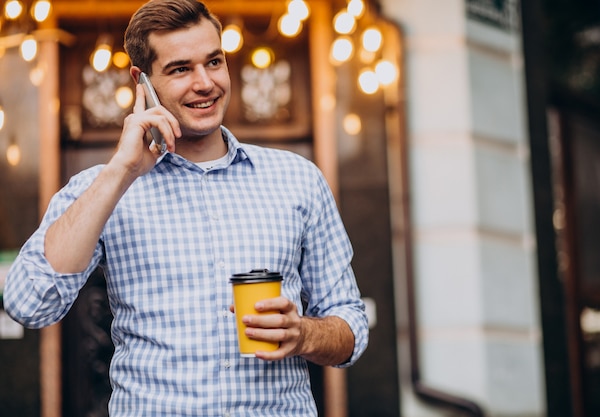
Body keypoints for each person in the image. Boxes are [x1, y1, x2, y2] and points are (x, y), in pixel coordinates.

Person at [3, 0, 369, 415]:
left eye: (214, 62)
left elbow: (350, 325)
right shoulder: (102, 188)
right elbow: (29, 303)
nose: (205, 83)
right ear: (143, 82)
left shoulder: (298, 179)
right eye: (180, 69)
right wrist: (120, 171)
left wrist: (303, 334)